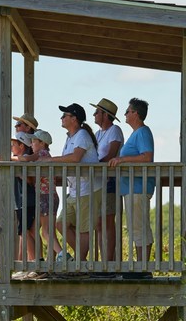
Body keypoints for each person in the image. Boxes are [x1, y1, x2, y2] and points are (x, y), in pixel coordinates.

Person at [41, 103, 101, 261]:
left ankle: (79, 264)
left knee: (83, 229)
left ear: (74, 119)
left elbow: (75, 158)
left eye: (64, 115)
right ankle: (80, 261)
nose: (61, 118)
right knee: (61, 224)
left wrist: (50, 161)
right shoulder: (71, 137)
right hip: (75, 190)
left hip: (87, 189)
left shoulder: (82, 135)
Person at [108, 98, 154, 269]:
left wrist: (121, 159)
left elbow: (147, 157)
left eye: (127, 111)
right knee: (136, 227)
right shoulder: (136, 133)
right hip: (131, 188)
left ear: (136, 113)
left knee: (139, 228)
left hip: (138, 187)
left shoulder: (142, 132)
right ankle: (141, 266)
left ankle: (142, 267)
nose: (125, 114)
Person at [15, 129, 62, 260]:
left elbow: (24, 158)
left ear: (42, 143)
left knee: (46, 232)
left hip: (44, 197)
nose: (31, 144)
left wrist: (10, 158)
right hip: (49, 196)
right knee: (42, 230)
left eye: (34, 141)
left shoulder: (40, 154)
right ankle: (45, 260)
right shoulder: (46, 155)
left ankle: (62, 255)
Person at [90, 98, 124, 262]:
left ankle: (109, 263)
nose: (94, 114)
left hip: (110, 181)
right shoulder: (97, 134)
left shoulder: (115, 130)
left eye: (97, 112)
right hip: (98, 181)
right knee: (99, 223)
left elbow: (111, 155)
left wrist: (94, 165)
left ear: (105, 115)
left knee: (108, 221)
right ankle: (104, 262)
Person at [9, 132, 38, 279]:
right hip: (21, 201)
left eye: (14, 145)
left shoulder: (27, 161)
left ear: (22, 146)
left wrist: (22, 174)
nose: (11, 147)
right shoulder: (19, 160)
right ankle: (32, 264)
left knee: (24, 232)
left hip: (28, 200)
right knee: (28, 231)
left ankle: (36, 264)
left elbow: (30, 181)